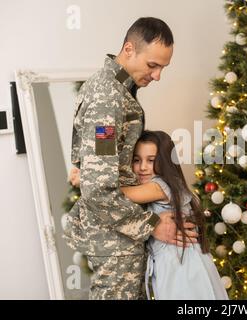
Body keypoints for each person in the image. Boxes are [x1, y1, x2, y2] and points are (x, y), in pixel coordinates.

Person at [64, 17, 198, 300]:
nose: (158, 75)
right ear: (129, 49)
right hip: (115, 241)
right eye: (153, 65)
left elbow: (100, 168)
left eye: (163, 67)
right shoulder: (108, 99)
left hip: (119, 236)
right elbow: (99, 188)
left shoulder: (117, 91)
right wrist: (152, 225)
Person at [121, 130, 229, 300]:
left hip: (182, 267)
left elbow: (119, 195)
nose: (142, 167)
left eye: (151, 160)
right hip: (175, 264)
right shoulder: (160, 187)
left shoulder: (160, 186)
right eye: (136, 160)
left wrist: (89, 180)